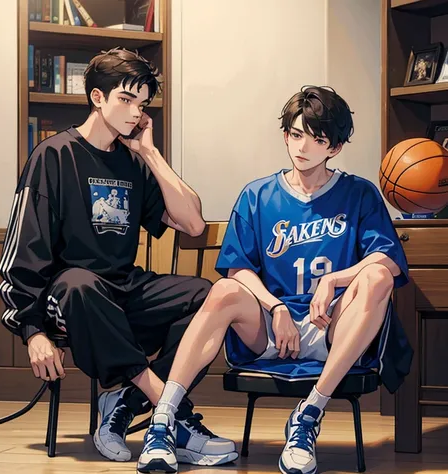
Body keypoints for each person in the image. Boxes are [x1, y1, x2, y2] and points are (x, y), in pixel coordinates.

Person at [136, 85, 413, 474]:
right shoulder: (257, 195)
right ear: (286, 135)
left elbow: (389, 259)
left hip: (332, 326)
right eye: (296, 135)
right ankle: (163, 421)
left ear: (333, 147)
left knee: (378, 277)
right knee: (225, 289)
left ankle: (308, 415)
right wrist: (275, 306)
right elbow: (237, 267)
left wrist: (334, 279)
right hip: (271, 330)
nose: (302, 147)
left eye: (317, 139)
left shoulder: (359, 193)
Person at [0, 47, 236, 466]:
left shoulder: (132, 161)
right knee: (78, 282)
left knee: (207, 296)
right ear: (97, 97)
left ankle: (123, 402)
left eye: (141, 104)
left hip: (122, 290)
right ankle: (170, 409)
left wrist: (150, 153)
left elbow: (193, 224)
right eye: (125, 100)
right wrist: (33, 331)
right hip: (71, 299)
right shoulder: (53, 156)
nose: (133, 113)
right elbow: (24, 250)